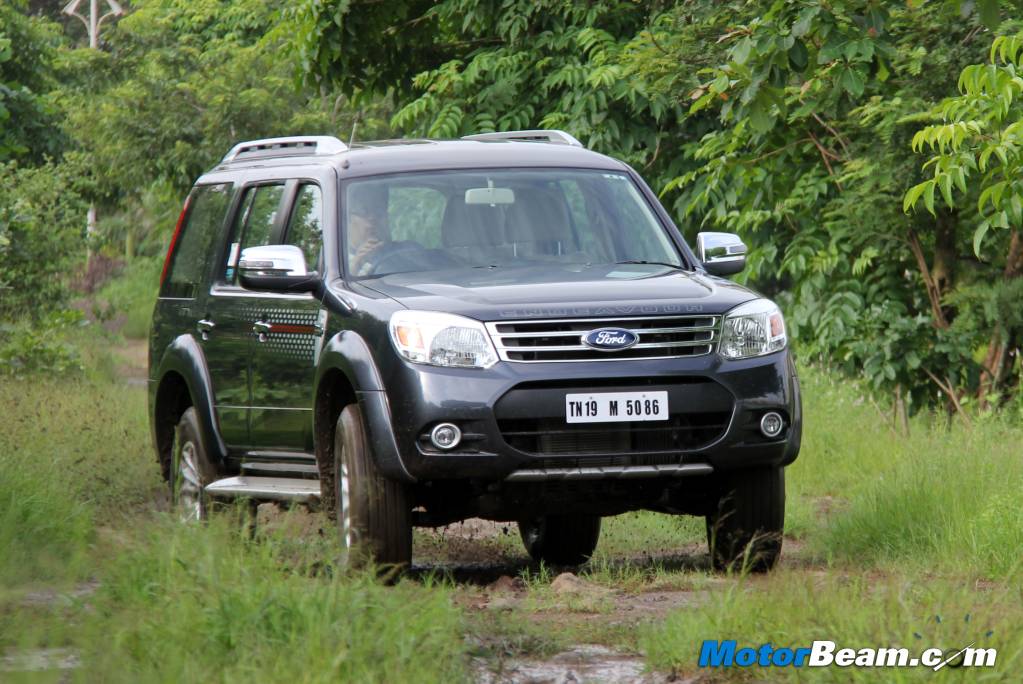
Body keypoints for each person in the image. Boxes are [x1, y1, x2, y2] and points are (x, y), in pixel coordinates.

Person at [347, 185, 390, 275]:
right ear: (348, 219)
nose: (372, 217)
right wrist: (355, 266)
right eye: (364, 211)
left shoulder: (408, 250)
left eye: (378, 211)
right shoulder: (338, 264)